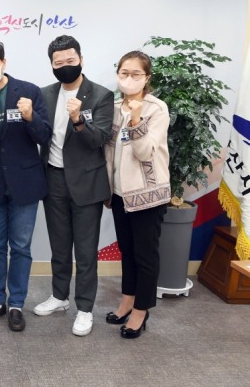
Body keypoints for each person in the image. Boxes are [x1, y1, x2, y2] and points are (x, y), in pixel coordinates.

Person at [34, 35, 113, 337]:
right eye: (59, 62)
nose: (65, 66)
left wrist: (79, 120)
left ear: (81, 59)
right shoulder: (44, 94)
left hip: (87, 182)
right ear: (52, 65)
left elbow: (99, 139)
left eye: (70, 60)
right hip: (53, 178)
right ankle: (59, 296)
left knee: (86, 251)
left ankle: (85, 308)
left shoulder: (101, 95)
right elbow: (40, 134)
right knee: (59, 245)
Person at [0, 40, 52, 332]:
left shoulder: (29, 91)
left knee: (20, 247)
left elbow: (44, 136)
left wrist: (30, 117)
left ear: (3, 62)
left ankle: (16, 303)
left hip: (25, 184)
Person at [104, 51, 170, 339]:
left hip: (147, 195)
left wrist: (135, 119)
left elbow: (144, 152)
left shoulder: (157, 109)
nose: (129, 79)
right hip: (120, 194)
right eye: (124, 73)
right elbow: (108, 151)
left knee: (145, 255)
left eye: (136, 74)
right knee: (127, 251)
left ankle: (141, 311)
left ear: (147, 77)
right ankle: (127, 300)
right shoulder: (113, 106)